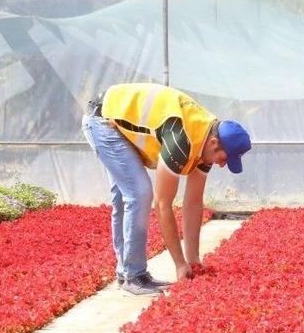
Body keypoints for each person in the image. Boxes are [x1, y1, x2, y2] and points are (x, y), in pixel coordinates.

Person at [82, 83, 251, 295]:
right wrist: (180, 264)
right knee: (139, 193)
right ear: (215, 143)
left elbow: (193, 202)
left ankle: (127, 273)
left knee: (126, 197)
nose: (223, 164)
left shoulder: (206, 143)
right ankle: (133, 276)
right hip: (103, 121)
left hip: (117, 121)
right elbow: (163, 205)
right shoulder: (181, 140)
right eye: (224, 158)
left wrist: (193, 261)